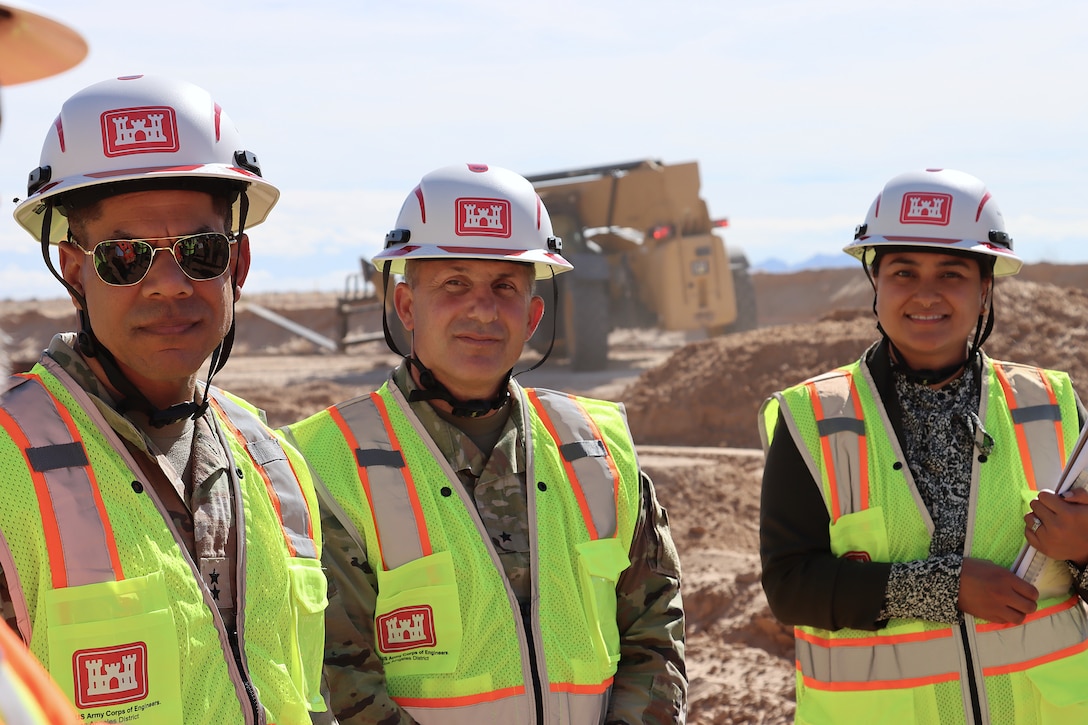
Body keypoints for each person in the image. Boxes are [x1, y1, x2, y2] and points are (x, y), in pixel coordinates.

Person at [282, 163, 687, 724]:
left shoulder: (598, 451)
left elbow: (653, 630)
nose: (482, 309)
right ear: (406, 306)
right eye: (454, 283)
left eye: (505, 287)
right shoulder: (323, 465)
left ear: (533, 315)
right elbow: (332, 680)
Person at [3, 74, 330, 725]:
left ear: (236, 266)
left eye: (200, 252)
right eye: (126, 256)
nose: (169, 286)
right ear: (75, 270)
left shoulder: (274, 463)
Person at [758, 168, 1088, 724]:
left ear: (985, 290)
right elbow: (791, 587)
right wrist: (943, 588)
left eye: (952, 273)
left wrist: (1083, 547)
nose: (926, 294)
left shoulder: (1050, 404)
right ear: (876, 284)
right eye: (904, 272)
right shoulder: (813, 418)